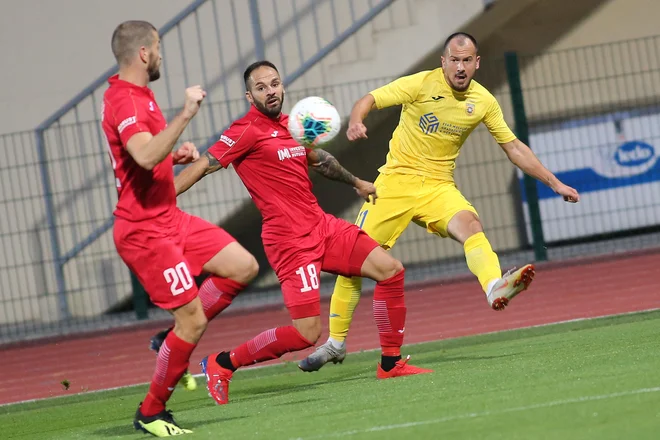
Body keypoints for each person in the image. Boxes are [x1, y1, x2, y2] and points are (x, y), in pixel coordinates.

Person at [299, 32, 581, 372]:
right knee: (355, 259)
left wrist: (555, 183)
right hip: (394, 184)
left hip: (437, 186)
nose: (460, 68)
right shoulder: (420, 84)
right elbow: (370, 99)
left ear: (476, 63)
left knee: (471, 225)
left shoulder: (484, 101)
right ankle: (336, 343)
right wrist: (357, 120)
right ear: (443, 60)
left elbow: (514, 148)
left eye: (467, 61)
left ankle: (493, 286)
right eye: (455, 60)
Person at [173, 60, 433, 405]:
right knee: (307, 334)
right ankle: (222, 364)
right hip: (289, 242)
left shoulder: (291, 125)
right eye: (261, 87)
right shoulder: (244, 130)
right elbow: (204, 164)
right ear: (250, 96)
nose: (271, 91)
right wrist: (162, 200)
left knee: (390, 271)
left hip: (321, 227)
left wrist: (356, 182)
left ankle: (390, 363)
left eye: (275, 84)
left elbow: (318, 158)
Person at [102, 21, 258, 436]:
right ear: (143, 54)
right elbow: (143, 154)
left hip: (170, 218)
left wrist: (175, 154)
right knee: (192, 321)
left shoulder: (138, 95)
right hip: (145, 231)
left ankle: (172, 339)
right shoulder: (126, 102)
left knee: (243, 266)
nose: (161, 54)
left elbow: (147, 159)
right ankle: (151, 412)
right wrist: (186, 116)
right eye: (158, 47)